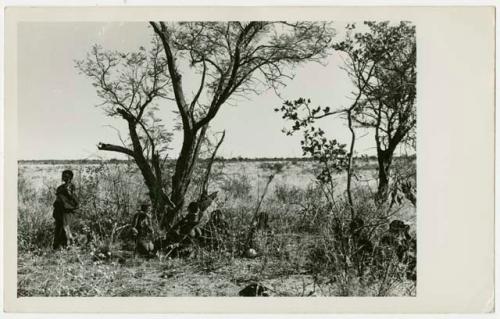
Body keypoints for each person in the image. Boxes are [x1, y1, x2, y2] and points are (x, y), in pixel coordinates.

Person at [52, 169, 79, 249]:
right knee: (59, 227)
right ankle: (58, 246)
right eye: (63, 176)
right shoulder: (60, 188)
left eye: (66, 176)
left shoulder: (71, 187)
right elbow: (58, 199)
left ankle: (68, 245)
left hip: (67, 210)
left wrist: (69, 193)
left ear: (70, 178)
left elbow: (74, 200)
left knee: (65, 227)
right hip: (59, 210)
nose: (64, 177)